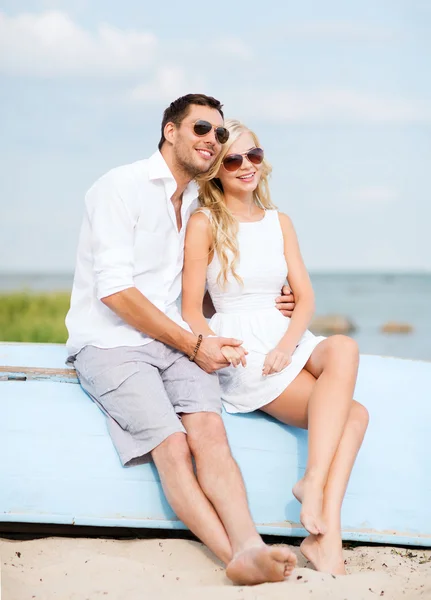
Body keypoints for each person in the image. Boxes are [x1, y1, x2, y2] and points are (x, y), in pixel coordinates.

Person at [65, 94, 297, 585]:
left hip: (172, 341)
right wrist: (194, 345)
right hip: (110, 344)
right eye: (200, 130)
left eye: (217, 133)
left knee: (211, 436)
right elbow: (115, 292)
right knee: (172, 446)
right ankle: (233, 556)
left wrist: (273, 303)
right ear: (171, 132)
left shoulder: (198, 202)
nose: (212, 140)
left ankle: (250, 544)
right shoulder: (119, 186)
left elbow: (195, 294)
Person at [182, 119, 370, 575]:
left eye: (255, 156)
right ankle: (328, 537)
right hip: (243, 347)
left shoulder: (279, 221)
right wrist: (214, 344)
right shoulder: (205, 222)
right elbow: (190, 310)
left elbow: (305, 298)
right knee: (357, 415)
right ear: (217, 170)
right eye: (233, 159)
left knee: (343, 346)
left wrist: (287, 347)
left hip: (284, 338)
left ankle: (313, 483)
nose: (247, 166)